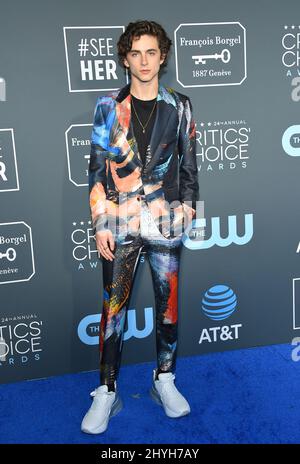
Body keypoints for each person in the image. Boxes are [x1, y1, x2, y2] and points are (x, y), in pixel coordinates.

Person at [81, 19, 199, 434]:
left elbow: (188, 167)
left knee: (168, 309)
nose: (144, 61)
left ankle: (163, 378)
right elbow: (96, 172)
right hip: (119, 224)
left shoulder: (181, 105)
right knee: (113, 312)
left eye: (152, 52)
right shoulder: (106, 108)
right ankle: (106, 391)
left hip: (167, 224)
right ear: (125, 58)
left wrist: (188, 210)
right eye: (136, 53)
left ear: (162, 56)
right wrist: (100, 222)